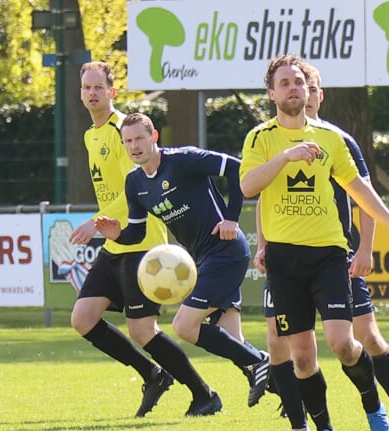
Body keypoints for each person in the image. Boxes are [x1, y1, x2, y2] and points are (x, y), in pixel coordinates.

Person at [254, 62, 389, 431]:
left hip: (335, 256)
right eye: (288, 84)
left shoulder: (337, 140)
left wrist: (365, 248)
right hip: (287, 256)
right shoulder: (267, 140)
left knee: (364, 338)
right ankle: (306, 430)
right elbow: (261, 194)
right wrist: (262, 245)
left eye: (304, 85)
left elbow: (362, 195)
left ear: (317, 94)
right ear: (274, 93)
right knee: (288, 343)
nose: (298, 91)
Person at [94, 112, 271, 411]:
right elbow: (136, 233)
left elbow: (235, 168)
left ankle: (259, 361)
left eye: (139, 138)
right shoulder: (135, 182)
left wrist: (231, 218)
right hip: (201, 261)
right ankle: (288, 391)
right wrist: (118, 234)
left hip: (226, 250)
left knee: (185, 326)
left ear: (154, 137)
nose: (134, 146)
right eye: (127, 141)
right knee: (232, 339)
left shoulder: (184, 159)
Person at [71, 61, 218, 417]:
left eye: (98, 88)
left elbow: (136, 186)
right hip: (114, 244)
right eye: (87, 88)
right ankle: (152, 374)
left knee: (142, 330)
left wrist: (95, 221)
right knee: (83, 318)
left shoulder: (124, 130)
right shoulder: (91, 135)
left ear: (112, 92)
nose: (92, 93)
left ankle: (204, 394)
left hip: (141, 243)